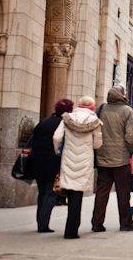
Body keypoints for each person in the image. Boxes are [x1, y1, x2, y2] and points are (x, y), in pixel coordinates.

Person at [91, 84, 133, 232]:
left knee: (101, 191)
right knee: (123, 192)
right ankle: (125, 222)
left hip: (103, 156)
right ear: (124, 94)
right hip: (121, 159)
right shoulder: (127, 111)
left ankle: (97, 223)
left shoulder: (100, 109)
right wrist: (130, 152)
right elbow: (132, 136)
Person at [53, 97, 102, 239]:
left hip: (68, 158)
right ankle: (72, 229)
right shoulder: (94, 121)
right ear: (92, 107)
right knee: (77, 196)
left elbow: (56, 137)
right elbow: (98, 143)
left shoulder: (68, 118)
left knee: (69, 191)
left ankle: (70, 229)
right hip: (84, 160)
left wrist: (58, 151)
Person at [31, 98, 74, 233]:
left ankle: (40, 222)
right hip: (52, 162)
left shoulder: (44, 122)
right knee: (50, 194)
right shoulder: (63, 124)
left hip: (37, 162)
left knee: (42, 193)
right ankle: (43, 224)